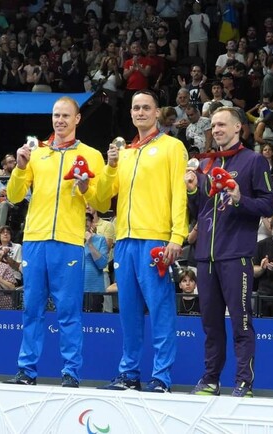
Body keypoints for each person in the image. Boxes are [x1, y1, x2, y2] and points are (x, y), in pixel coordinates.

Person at [4, 97, 109, 388]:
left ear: (77, 119)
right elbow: (13, 196)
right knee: (32, 308)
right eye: (55, 115)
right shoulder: (36, 153)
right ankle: (26, 371)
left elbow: (102, 200)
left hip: (68, 241)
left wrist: (86, 188)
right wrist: (20, 168)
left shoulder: (91, 155)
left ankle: (71, 373)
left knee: (69, 311)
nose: (60, 120)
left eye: (66, 115)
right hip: (36, 240)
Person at [96, 90, 188, 394]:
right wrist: (110, 165)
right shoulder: (124, 152)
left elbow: (179, 192)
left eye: (146, 107)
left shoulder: (172, 147)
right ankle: (129, 374)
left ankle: (161, 377)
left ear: (157, 112)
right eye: (136, 107)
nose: (140, 112)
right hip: (124, 239)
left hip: (154, 240)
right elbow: (100, 198)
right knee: (129, 312)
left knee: (161, 310)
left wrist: (177, 236)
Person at [185, 106, 273, 398]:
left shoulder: (254, 161)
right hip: (205, 256)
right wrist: (190, 191)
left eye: (223, 124)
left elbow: (268, 205)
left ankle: (243, 381)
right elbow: (199, 211)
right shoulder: (207, 165)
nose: (217, 129)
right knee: (210, 324)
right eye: (214, 125)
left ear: (239, 128)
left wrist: (239, 198)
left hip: (235, 254)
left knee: (241, 321)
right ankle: (211, 379)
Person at [82, 212, 109, 312]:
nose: (84, 222)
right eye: (81, 219)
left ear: (93, 223)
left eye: (87, 220)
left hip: (94, 290)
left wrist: (90, 244)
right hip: (75, 290)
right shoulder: (72, 241)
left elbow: (102, 264)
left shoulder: (100, 239)